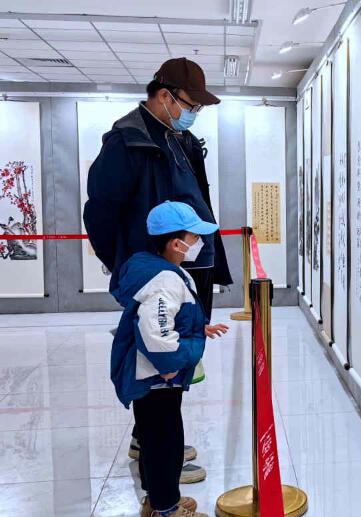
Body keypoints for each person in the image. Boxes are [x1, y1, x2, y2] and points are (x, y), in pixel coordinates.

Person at [84, 57, 232, 483]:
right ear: (164, 96)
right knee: (159, 363)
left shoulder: (179, 139)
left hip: (184, 273)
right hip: (157, 278)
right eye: (190, 104)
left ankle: (148, 441)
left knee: (176, 369)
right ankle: (159, 462)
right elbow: (101, 214)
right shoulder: (127, 142)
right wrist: (134, 271)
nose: (194, 113)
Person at [111, 201, 229, 517]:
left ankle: (156, 501)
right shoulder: (164, 279)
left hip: (152, 375)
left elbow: (165, 317)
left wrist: (198, 327)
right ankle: (167, 510)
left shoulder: (156, 270)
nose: (198, 244)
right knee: (166, 443)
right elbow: (156, 331)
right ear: (176, 243)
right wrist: (169, 365)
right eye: (194, 237)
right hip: (158, 378)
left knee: (153, 439)